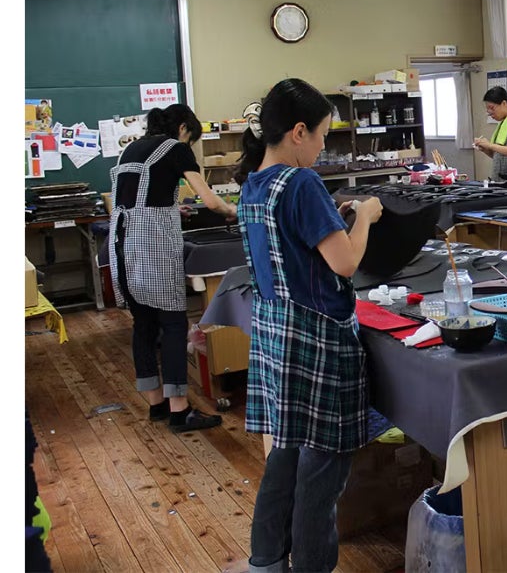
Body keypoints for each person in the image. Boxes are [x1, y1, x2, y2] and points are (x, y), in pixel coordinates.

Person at [234, 78, 383, 573]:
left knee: (283, 459)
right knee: (321, 476)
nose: (323, 146)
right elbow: (345, 263)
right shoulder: (302, 183)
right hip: (317, 344)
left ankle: (266, 563)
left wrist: (331, 219)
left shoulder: (253, 184)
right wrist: (364, 217)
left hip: (276, 339)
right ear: (298, 132)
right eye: (321, 135)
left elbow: (294, 244)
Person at [108, 103, 237, 433]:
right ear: (183, 129)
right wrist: (235, 212)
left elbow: (138, 201)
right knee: (174, 324)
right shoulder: (175, 148)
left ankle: (156, 405)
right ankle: (180, 411)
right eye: (191, 138)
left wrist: (171, 209)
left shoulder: (130, 149)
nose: (189, 144)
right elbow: (210, 201)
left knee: (144, 325)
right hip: (152, 249)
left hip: (123, 246)